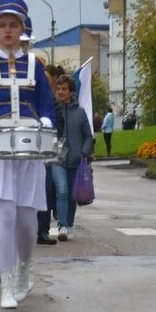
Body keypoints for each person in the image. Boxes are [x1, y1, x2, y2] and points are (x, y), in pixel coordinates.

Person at [0, 0, 56, 310]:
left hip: (31, 147)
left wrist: (46, 119)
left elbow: (48, 104)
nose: (7, 30)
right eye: (2, 25)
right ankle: (6, 281)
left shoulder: (36, 64)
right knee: (3, 212)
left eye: (13, 25)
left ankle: (25, 269)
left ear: (22, 28)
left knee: (27, 219)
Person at [50, 74, 92, 241]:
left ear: (71, 91)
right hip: (56, 159)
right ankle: (62, 226)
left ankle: (69, 224)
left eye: (64, 89)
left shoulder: (80, 113)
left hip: (75, 159)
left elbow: (88, 136)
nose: (60, 92)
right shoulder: (52, 111)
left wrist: (84, 152)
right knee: (62, 190)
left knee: (72, 196)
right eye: (58, 89)